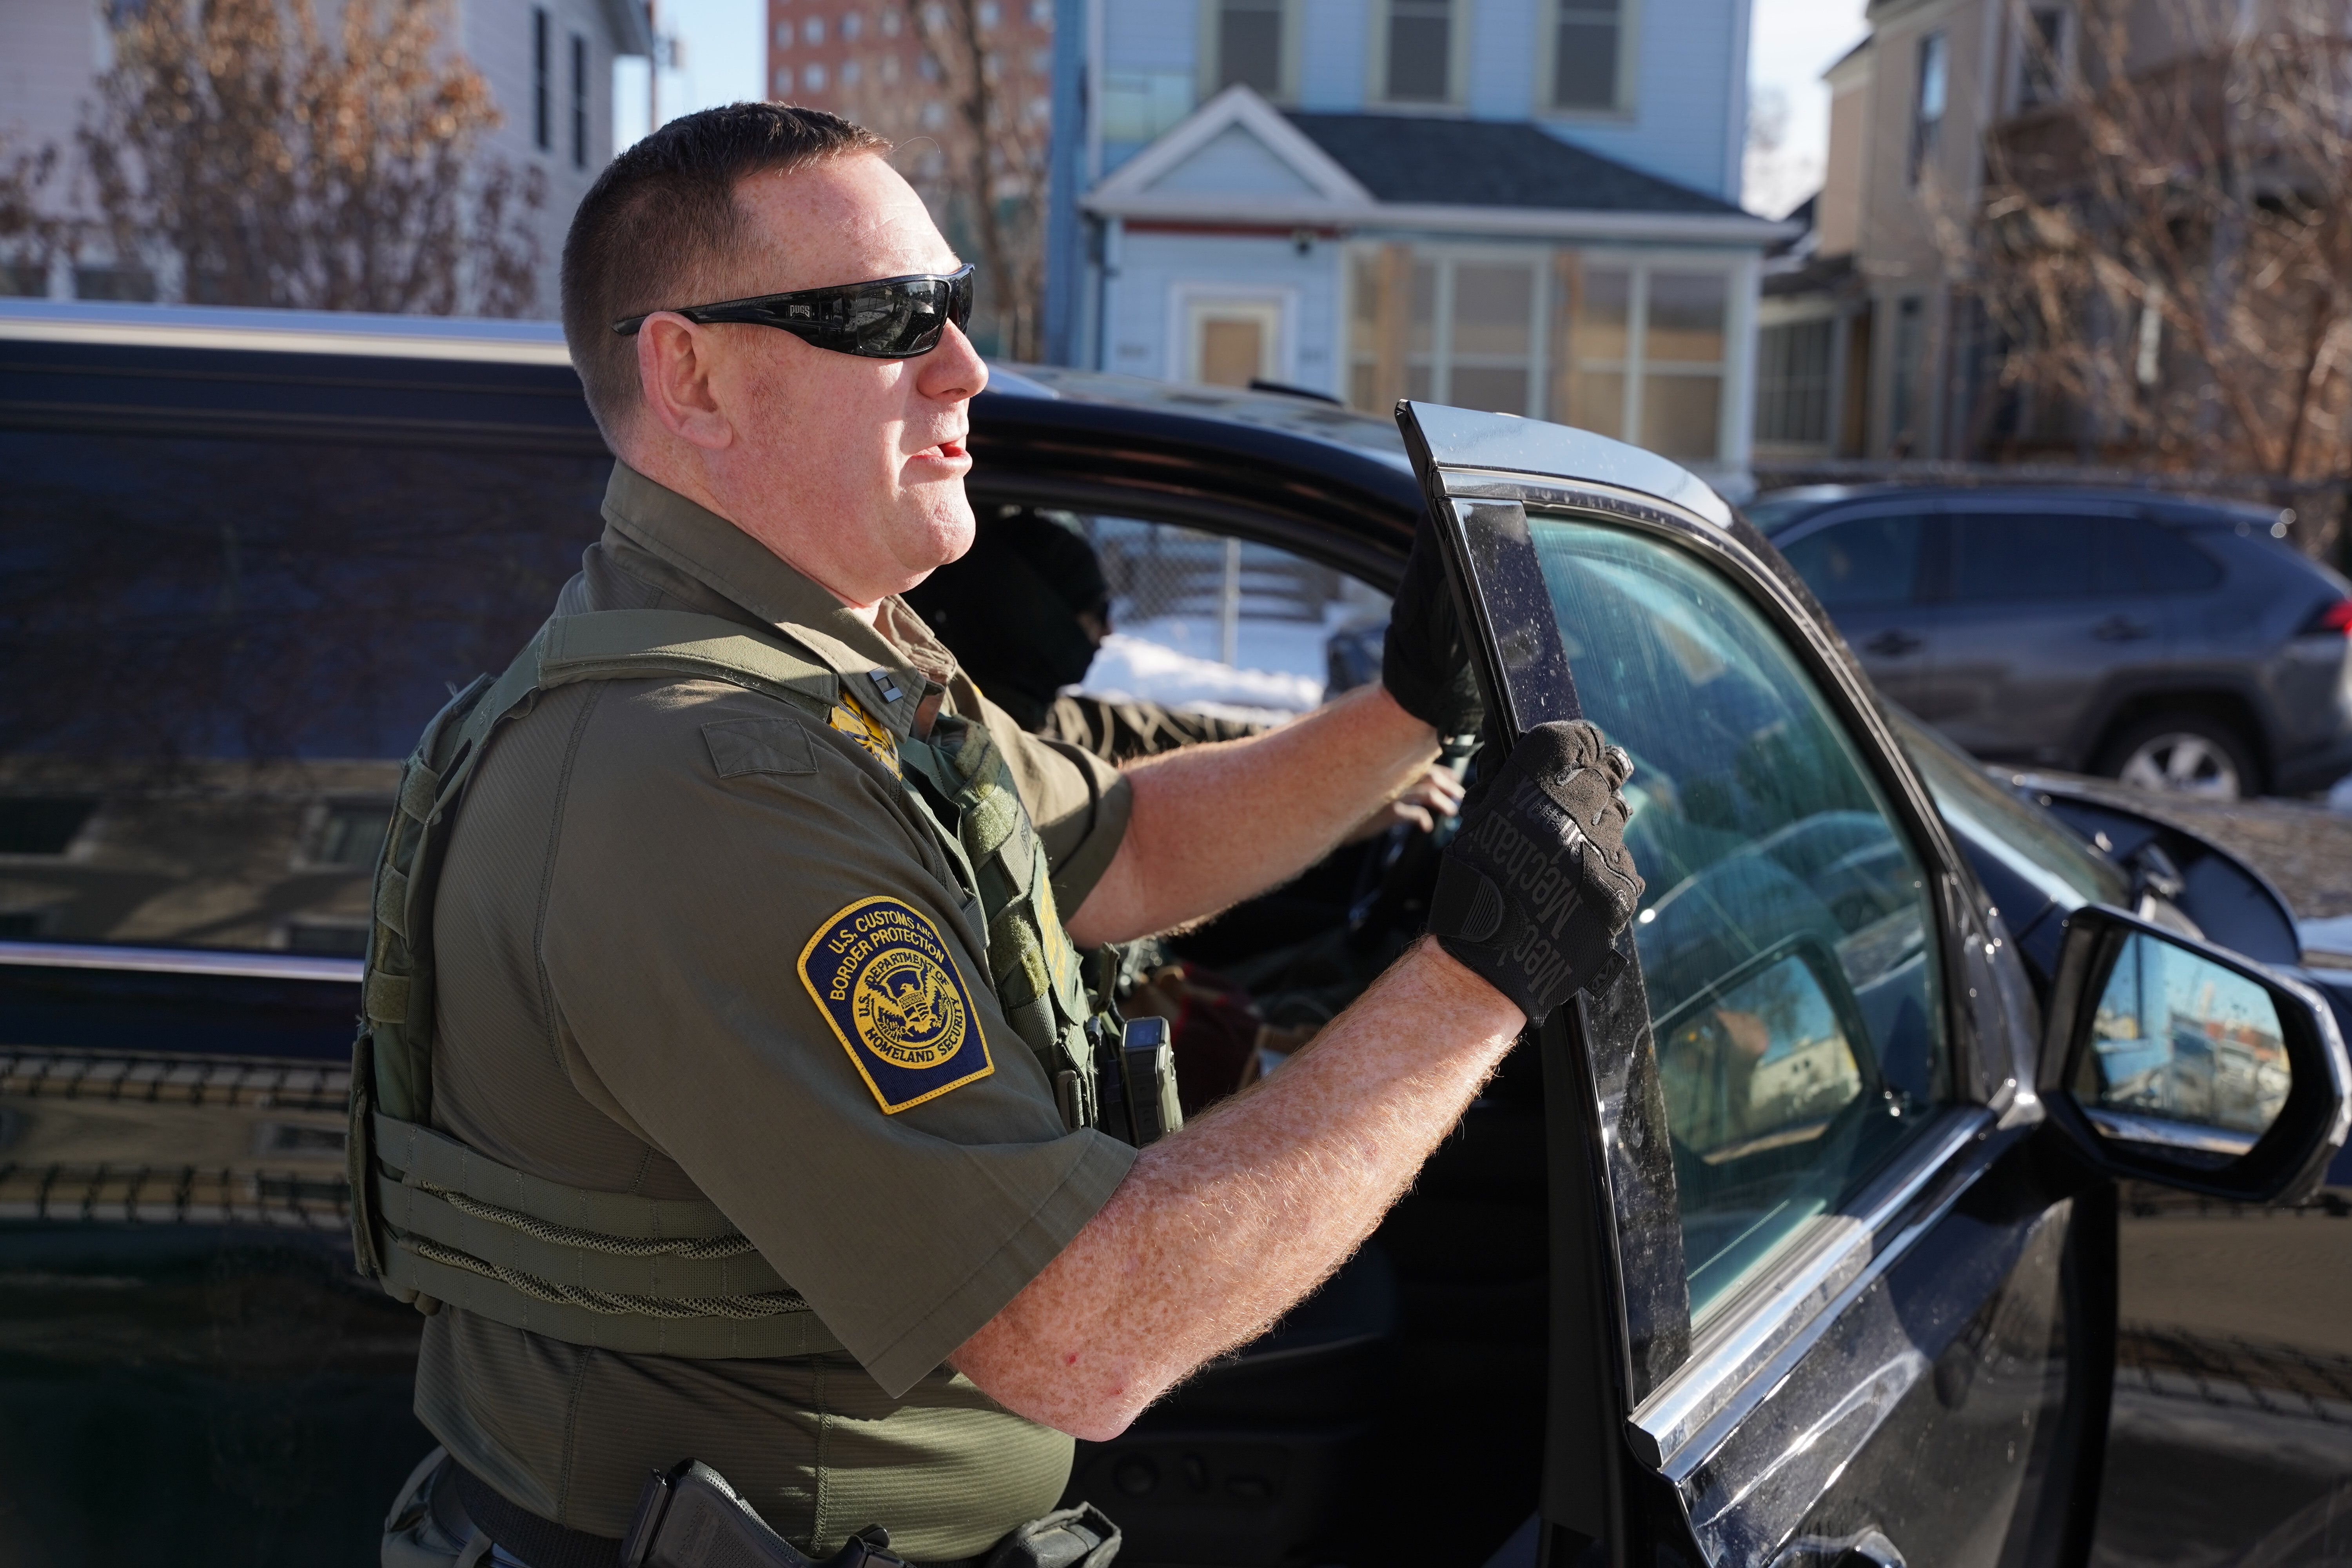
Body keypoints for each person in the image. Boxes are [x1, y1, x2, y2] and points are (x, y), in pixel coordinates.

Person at [365, 103, 1642, 1568]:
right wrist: (1482, 980)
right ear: (691, 374)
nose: (963, 364)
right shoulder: (704, 780)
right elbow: (1081, 1334)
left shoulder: (819, 669)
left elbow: (1128, 844)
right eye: (886, 316)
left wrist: (1411, 710)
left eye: (955, 307)